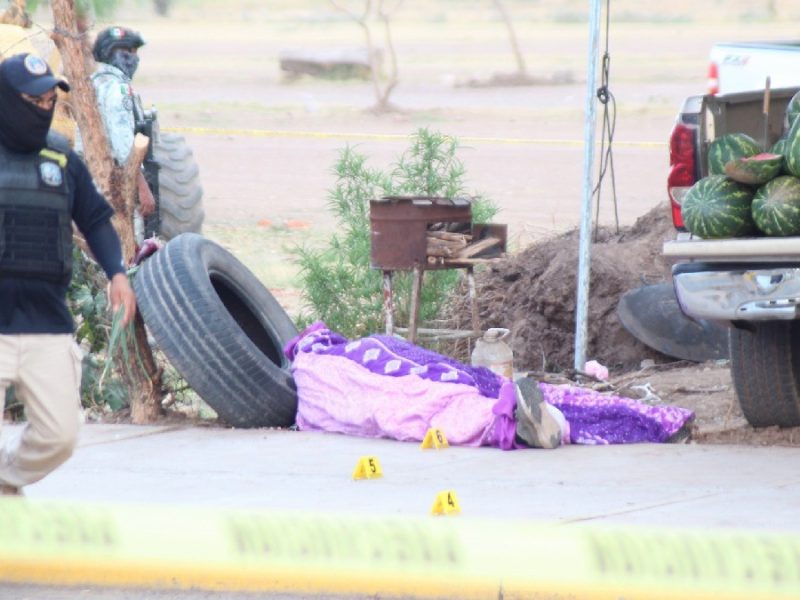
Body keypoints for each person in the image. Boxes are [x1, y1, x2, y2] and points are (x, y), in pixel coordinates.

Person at [0, 53, 137, 496]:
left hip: (46, 321)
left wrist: (117, 273)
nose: (42, 110)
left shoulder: (61, 159)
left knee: (60, 436)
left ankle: (5, 481)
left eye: (49, 102)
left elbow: (96, 219)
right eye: (31, 101)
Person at [286, 323, 695, 449]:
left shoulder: (318, 371)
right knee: (426, 398)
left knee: (437, 392)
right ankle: (513, 416)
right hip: (388, 380)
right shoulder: (321, 365)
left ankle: (512, 416)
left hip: (392, 374)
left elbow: (397, 357)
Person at [79, 25, 155, 239]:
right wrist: (142, 187)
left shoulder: (91, 84)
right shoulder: (117, 88)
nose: (134, 59)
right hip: (116, 183)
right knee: (129, 245)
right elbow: (122, 142)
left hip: (90, 180)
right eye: (129, 52)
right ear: (112, 53)